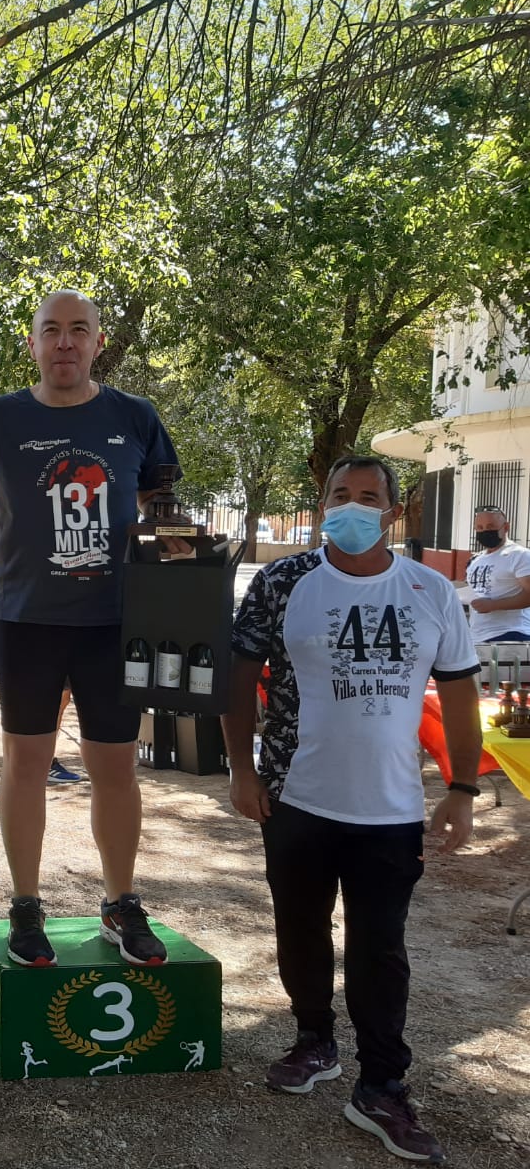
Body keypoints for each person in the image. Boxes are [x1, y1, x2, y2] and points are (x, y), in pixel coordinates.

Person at [222, 454, 480, 1164]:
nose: (353, 507)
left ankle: (382, 1085)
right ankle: (313, 1040)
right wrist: (241, 770)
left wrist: (461, 790)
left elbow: (460, 696)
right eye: (340, 494)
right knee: (299, 929)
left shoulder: (431, 591)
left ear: (392, 512)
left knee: (380, 947)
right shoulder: (282, 582)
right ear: (321, 504)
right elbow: (238, 677)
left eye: (369, 497)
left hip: (389, 808)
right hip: (294, 797)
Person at [0, 289, 181, 968]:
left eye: (78, 330)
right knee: (26, 763)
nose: (64, 342)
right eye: (51, 330)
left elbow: (161, 505)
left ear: (97, 341)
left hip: (113, 622)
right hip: (26, 618)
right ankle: (25, 904)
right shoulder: (0, 417)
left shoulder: (134, 416)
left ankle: (120, 903)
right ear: (32, 342)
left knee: (115, 767)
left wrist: (177, 555)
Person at [465, 504, 530, 642]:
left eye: (490, 527)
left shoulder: (520, 555)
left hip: (511, 635)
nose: (485, 531)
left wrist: (493, 605)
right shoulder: (475, 560)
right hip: (477, 637)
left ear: (506, 527)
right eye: (480, 528)